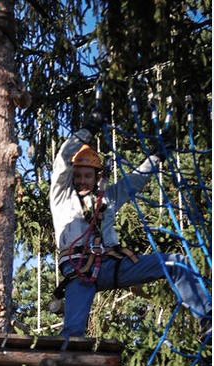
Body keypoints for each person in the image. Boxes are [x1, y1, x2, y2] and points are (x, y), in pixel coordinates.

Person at [49, 115, 211, 339]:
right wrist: (87, 129)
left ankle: (207, 318)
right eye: (77, 176)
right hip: (78, 271)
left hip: (110, 265)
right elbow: (62, 161)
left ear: (97, 177)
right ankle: (69, 358)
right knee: (73, 333)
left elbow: (136, 180)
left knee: (176, 264)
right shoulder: (61, 197)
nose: (81, 181)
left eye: (87, 176)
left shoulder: (107, 198)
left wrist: (157, 156)